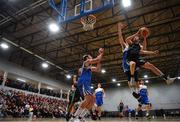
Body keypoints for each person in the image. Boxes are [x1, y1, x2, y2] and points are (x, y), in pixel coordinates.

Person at [73, 48, 104, 121]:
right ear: (87, 58)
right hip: (83, 83)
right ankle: (74, 117)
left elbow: (98, 69)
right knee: (87, 100)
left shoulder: (89, 67)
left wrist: (99, 61)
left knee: (93, 100)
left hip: (87, 84)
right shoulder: (86, 62)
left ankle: (81, 117)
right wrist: (101, 53)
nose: (91, 57)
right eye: (90, 56)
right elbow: (96, 59)